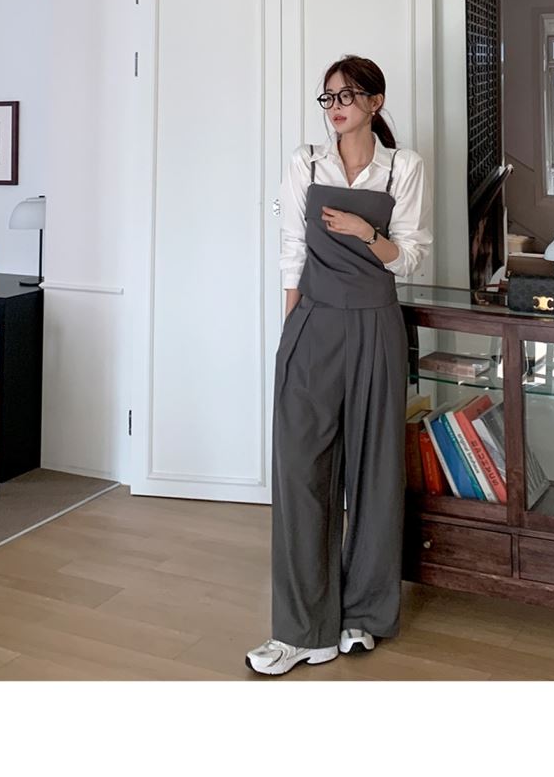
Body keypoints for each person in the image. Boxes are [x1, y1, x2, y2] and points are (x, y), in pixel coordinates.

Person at [246, 55, 433, 676]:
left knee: (375, 471)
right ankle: (303, 630)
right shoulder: (305, 164)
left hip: (376, 324)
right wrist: (291, 331)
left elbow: (411, 258)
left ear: (375, 102)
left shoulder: (403, 168)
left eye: (348, 95)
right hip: (314, 322)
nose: (336, 107)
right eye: (328, 97)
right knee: (301, 471)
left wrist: (363, 231)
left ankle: (363, 615)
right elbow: (290, 251)